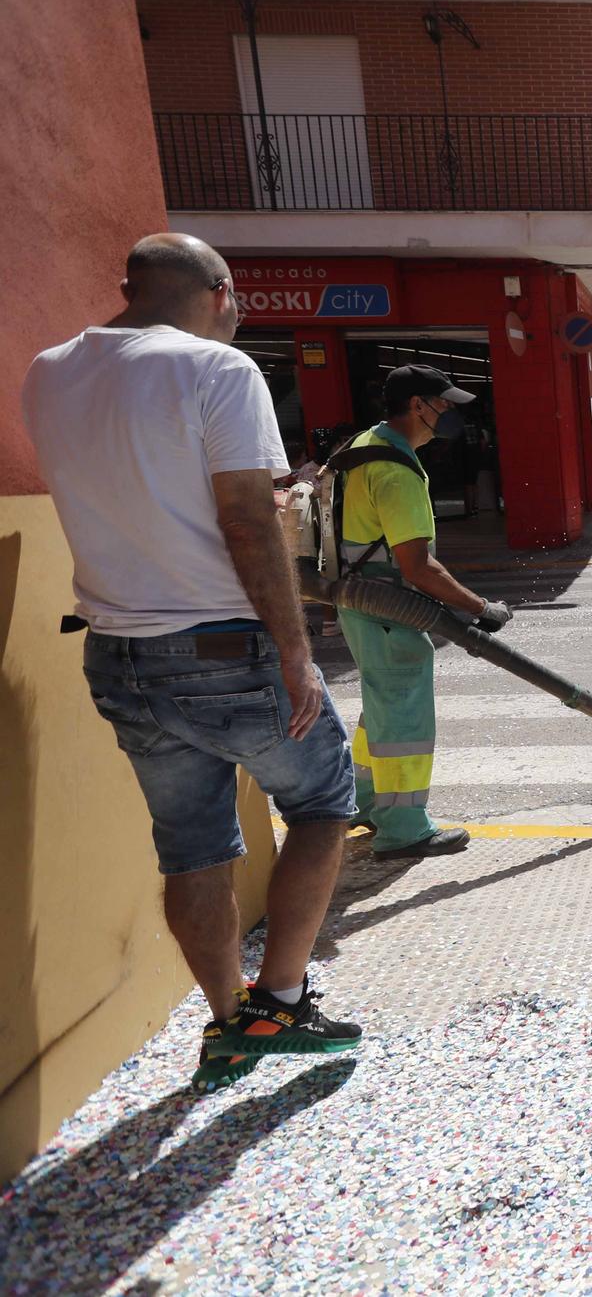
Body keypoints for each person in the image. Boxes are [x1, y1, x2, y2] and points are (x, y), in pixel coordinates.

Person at [22, 233, 362, 1093]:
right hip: (223, 645)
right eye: (239, 303)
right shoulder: (219, 369)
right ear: (220, 291)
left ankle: (226, 1019)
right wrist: (295, 651)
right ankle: (281, 1001)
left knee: (192, 849)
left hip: (118, 650)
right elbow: (246, 522)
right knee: (323, 799)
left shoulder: (49, 370)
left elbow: (138, 489)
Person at [335, 364, 512, 858]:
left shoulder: (363, 445)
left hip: (358, 600)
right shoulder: (395, 469)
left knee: (381, 707)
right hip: (390, 608)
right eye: (445, 403)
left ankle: (363, 801)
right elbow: (418, 566)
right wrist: (482, 608)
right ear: (419, 405)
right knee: (404, 718)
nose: (451, 413)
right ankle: (404, 828)